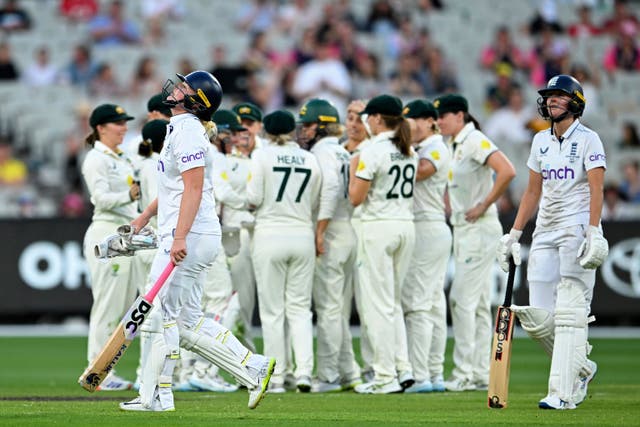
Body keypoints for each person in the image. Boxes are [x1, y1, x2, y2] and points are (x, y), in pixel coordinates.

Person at [121, 70, 274, 412]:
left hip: (190, 233)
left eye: (185, 86)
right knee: (188, 319)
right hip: (194, 232)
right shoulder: (181, 127)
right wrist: (145, 217)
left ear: (195, 101)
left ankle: (158, 396)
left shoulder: (188, 131)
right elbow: (176, 186)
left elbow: (193, 188)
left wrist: (178, 236)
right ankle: (253, 367)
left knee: (162, 314)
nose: (176, 88)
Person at [496, 74, 607, 410]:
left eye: (560, 96)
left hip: (575, 226)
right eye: (549, 96)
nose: (552, 100)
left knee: (570, 312)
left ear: (575, 103)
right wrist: (514, 233)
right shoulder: (540, 141)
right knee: (539, 317)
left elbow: (597, 188)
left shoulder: (589, 139)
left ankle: (564, 393)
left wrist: (593, 230)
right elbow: (532, 191)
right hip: (544, 229)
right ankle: (583, 368)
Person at [434, 94, 515, 392]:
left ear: (460, 115)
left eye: (443, 115)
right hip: (465, 228)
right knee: (478, 303)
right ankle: (480, 372)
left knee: (462, 299)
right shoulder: (454, 145)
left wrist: (483, 204)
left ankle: (465, 372)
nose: (439, 121)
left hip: (478, 227)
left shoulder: (473, 139)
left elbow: (507, 170)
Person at [246, 109, 322, 393]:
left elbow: (253, 197)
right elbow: (313, 200)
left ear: (267, 131)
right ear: (292, 131)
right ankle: (303, 372)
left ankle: (275, 376)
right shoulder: (310, 158)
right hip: (302, 232)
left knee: (272, 310)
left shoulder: (262, 155)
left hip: (270, 232)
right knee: (300, 309)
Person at [348, 94, 417, 394]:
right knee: (392, 303)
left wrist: (352, 169)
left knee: (377, 306)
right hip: (405, 226)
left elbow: (355, 197)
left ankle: (384, 376)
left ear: (376, 119)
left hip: (378, 227)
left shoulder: (373, 150)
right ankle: (403, 369)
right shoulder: (407, 148)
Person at [296, 98, 361, 393]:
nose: (303, 131)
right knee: (337, 307)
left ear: (322, 127)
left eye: (309, 125)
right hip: (348, 228)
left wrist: (319, 230)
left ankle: (329, 374)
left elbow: (333, 188)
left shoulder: (323, 151)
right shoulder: (342, 149)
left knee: (329, 309)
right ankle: (349, 371)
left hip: (333, 231)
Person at [80, 103, 141, 391]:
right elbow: (100, 199)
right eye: (118, 123)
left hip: (124, 235)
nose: (124, 128)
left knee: (122, 307)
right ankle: (96, 370)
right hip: (106, 233)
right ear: (101, 128)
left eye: (125, 122)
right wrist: (129, 194)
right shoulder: (96, 159)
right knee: (107, 305)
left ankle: (106, 370)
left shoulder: (123, 157)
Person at [401, 99, 451, 393]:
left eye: (414, 120)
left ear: (430, 121)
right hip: (428, 228)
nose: (410, 127)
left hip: (426, 226)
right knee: (432, 303)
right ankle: (433, 373)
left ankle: (420, 375)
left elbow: (417, 172)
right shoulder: (425, 146)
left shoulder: (435, 147)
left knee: (419, 302)